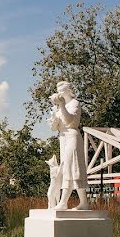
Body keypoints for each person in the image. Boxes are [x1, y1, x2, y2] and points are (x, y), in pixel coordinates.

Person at [50, 81, 90, 210]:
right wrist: (54, 120)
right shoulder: (61, 107)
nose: (59, 93)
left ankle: (63, 202)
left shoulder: (74, 104)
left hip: (72, 136)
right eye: (58, 90)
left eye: (61, 90)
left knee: (71, 167)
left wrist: (61, 105)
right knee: (69, 167)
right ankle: (83, 202)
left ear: (68, 91)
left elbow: (69, 121)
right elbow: (54, 127)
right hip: (63, 137)